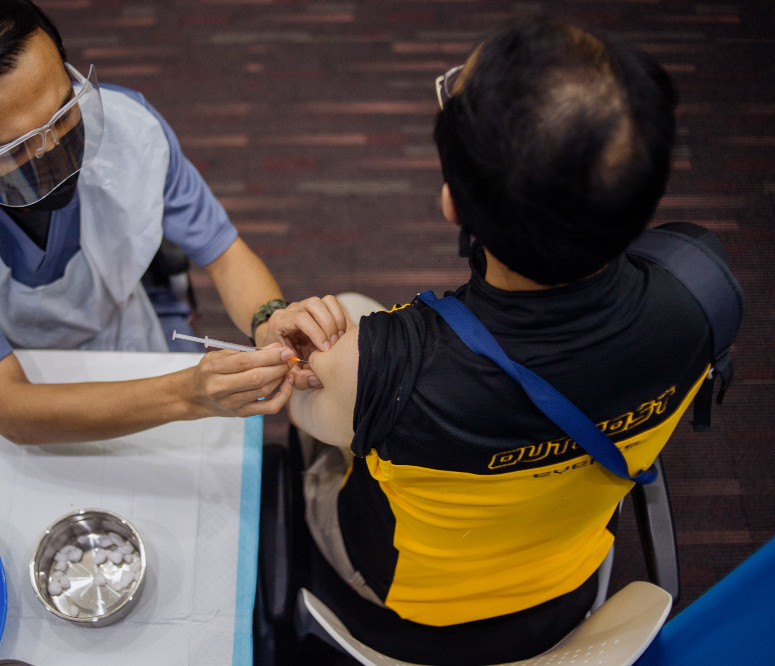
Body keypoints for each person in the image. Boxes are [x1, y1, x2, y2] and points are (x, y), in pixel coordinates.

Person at [287, 17, 728, 665]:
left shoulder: (375, 362)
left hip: (401, 605)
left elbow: (302, 405)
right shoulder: (706, 290)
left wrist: (305, 356)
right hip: (567, 593)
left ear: (452, 204)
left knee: (333, 371)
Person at [0, 0, 346, 444]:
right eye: (15, 148)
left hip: (111, 334)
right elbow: (10, 408)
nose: (53, 151)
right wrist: (188, 396)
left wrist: (269, 319)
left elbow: (223, 254)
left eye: (64, 110)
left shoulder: (135, 134)